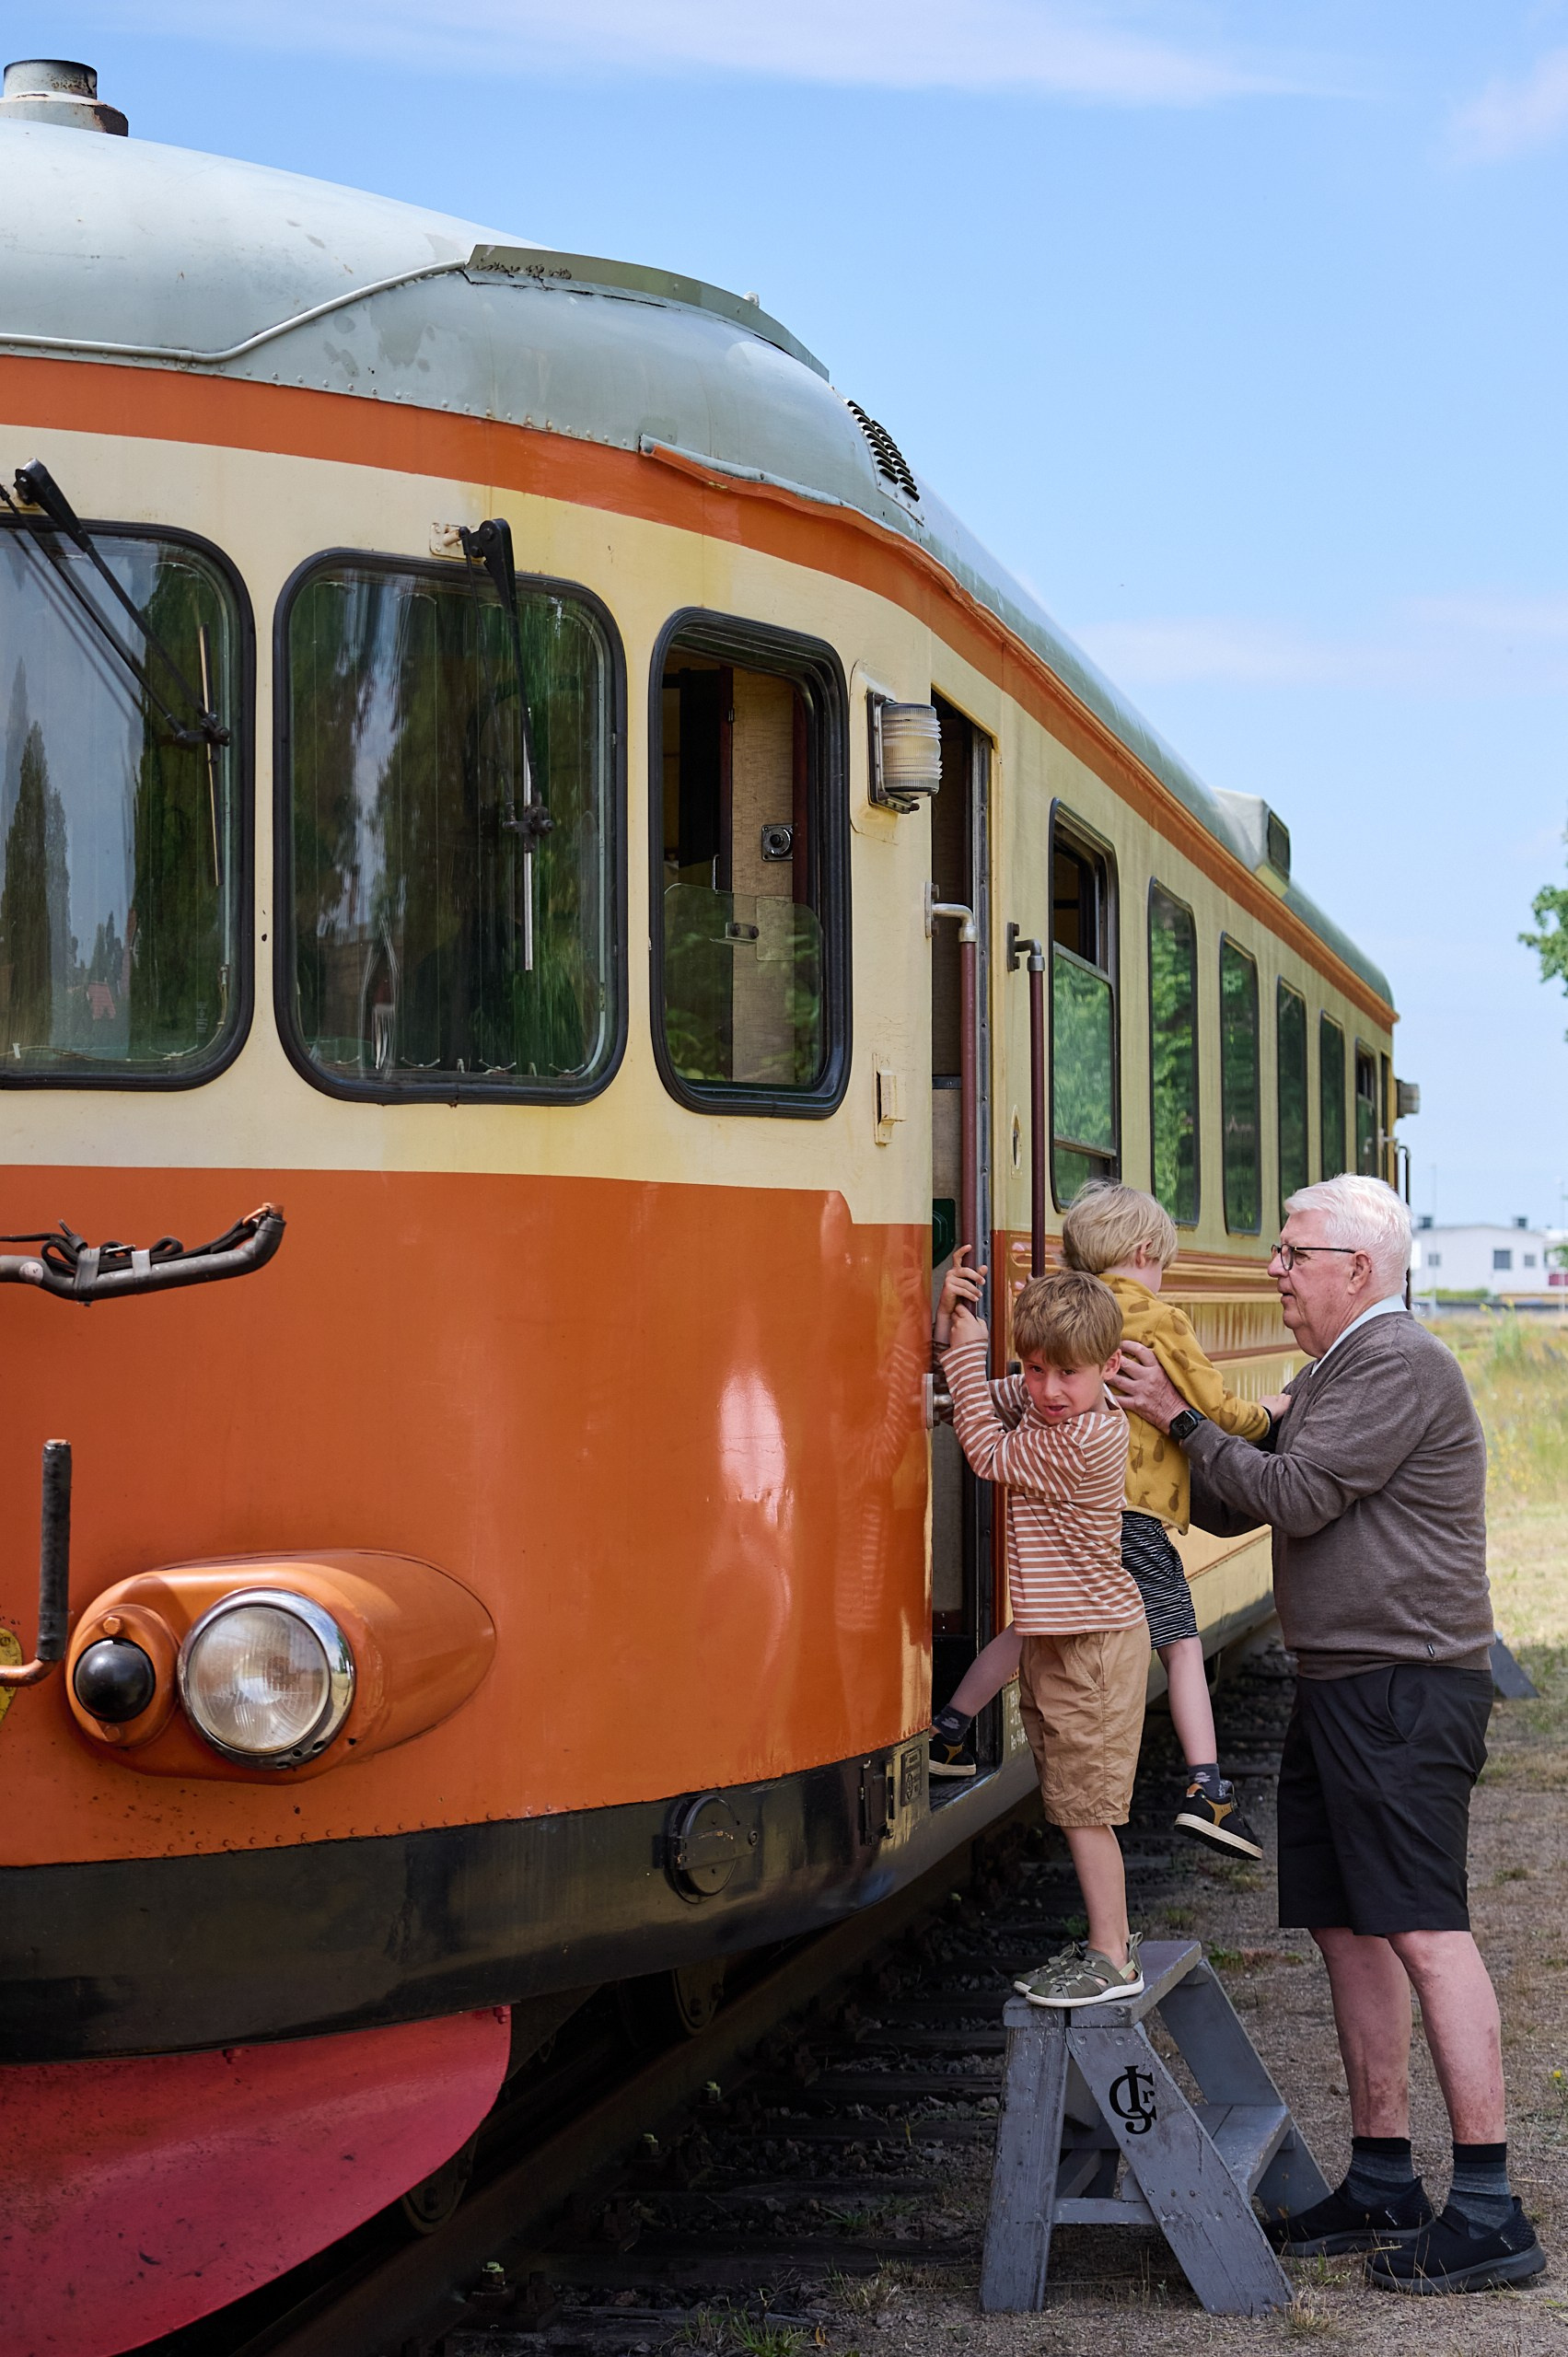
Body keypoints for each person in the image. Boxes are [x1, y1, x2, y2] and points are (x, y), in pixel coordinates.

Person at [1109, 1172, 1544, 2295]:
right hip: (1345, 1683)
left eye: (1290, 1252)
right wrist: (1160, 1437)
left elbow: (1294, 1496)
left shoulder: (1396, 1363)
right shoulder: (1337, 1368)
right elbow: (1235, 1494)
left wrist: (1179, 1417)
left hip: (1401, 1689)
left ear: (1355, 1269)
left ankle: (1491, 2209)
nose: (1272, 1270)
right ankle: (1382, 2178)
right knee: (1349, 1931)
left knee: (1420, 1929)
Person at [931, 1184, 1286, 1864]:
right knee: (1180, 1645)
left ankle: (951, 1726)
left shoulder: (1067, 1312)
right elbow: (1215, 1408)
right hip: (1134, 1519)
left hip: (1070, 1514)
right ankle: (1206, 1787)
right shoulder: (1158, 1319)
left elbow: (1009, 1394)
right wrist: (1270, 1413)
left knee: (1031, 1622)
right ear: (1145, 1251)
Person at [937, 1262, 1148, 2008]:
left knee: (1085, 1811)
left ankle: (1113, 1957)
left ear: (1109, 1368)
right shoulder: (1045, 1406)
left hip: (1091, 1647)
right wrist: (954, 1331)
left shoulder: (1085, 1439)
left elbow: (984, 1451)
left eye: (1067, 1373)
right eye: (1032, 1369)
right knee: (1069, 1799)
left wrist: (968, 1350)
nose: (1046, 1390)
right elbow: (982, 1399)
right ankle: (1106, 1941)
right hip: (1061, 1637)